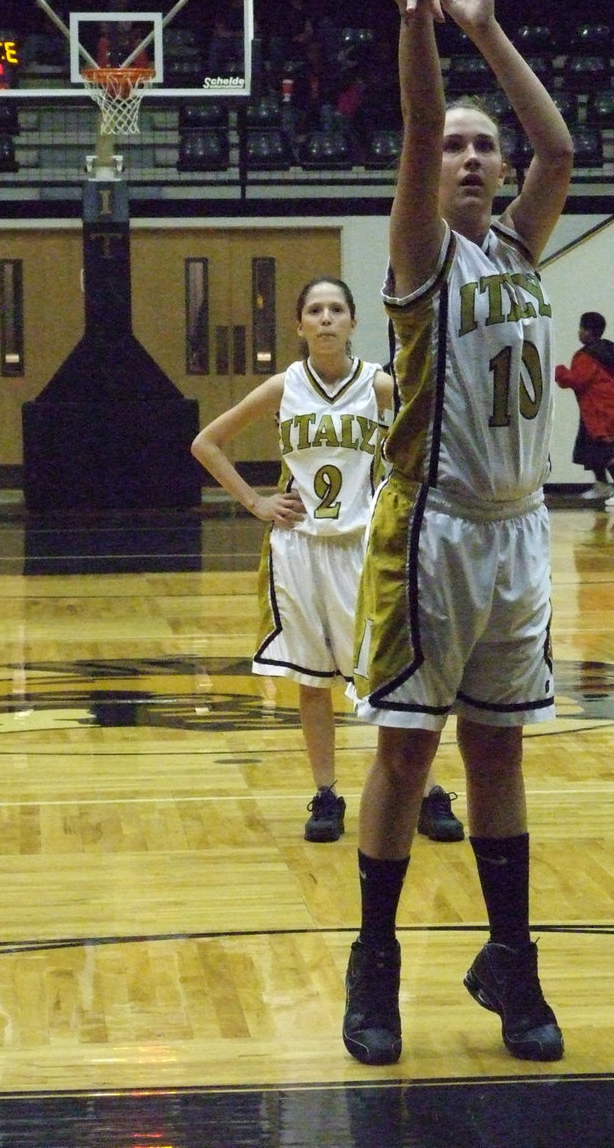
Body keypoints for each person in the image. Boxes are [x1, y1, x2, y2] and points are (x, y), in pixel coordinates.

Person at [342, 0, 573, 1066]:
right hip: (432, 534)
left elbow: (560, 149)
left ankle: (512, 959)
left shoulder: (521, 247)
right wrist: (420, 23)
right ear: (429, 175)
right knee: (406, 755)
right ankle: (375, 962)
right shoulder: (421, 254)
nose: (471, 155)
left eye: (486, 145)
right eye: (455, 147)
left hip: (520, 532)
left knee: (499, 755)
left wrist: (485, 27)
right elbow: (418, 117)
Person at [191, 277, 463, 844]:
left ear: (353, 322)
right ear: (299, 325)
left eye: (336, 309)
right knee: (312, 681)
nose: (325, 319)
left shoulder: (379, 385)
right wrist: (257, 503)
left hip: (365, 548)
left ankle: (426, 790)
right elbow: (206, 443)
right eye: (314, 310)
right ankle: (325, 794)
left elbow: (442, 422)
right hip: (299, 548)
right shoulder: (283, 385)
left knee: (391, 677)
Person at [555, 311, 614, 508]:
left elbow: (577, 380)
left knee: (603, 445)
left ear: (589, 332)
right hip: (612, 404)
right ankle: (602, 485)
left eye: (581, 328)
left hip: (598, 408)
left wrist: (558, 371)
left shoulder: (585, 356)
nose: (579, 332)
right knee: (589, 444)